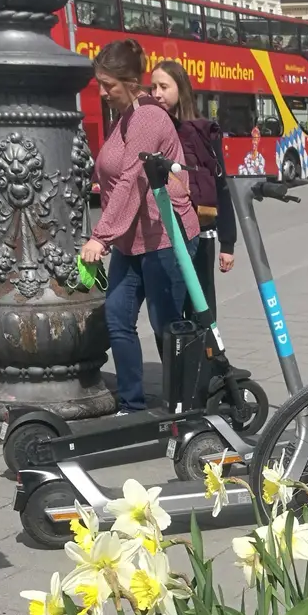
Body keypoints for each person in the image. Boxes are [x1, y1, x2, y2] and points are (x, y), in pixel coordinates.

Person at [81, 39, 200, 413]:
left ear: (131, 82)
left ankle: (187, 402)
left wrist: (101, 236)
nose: (102, 93)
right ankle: (132, 404)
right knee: (118, 318)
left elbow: (134, 178)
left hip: (164, 236)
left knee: (166, 326)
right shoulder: (125, 117)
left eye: (108, 85)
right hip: (131, 240)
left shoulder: (148, 118)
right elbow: (114, 176)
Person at [151, 61, 236, 318]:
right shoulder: (151, 130)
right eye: (153, 87)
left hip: (202, 233)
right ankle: (179, 358)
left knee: (202, 303)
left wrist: (228, 243)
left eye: (164, 86)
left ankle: (209, 357)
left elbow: (221, 186)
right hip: (162, 235)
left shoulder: (201, 133)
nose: (156, 93)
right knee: (169, 308)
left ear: (181, 89)